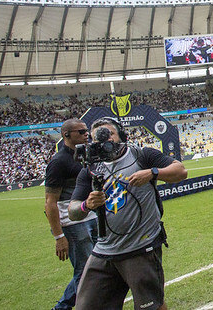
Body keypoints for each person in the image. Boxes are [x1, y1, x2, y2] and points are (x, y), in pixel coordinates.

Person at [68, 117, 187, 310]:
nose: (103, 142)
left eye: (109, 135)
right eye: (97, 139)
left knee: (151, 307)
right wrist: (86, 205)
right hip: (104, 251)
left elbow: (180, 171)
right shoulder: (89, 170)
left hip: (140, 247)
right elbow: (72, 212)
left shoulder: (142, 155)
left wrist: (152, 173)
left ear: (122, 136)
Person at [44, 118, 99, 310]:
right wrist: (59, 236)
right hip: (73, 223)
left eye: (86, 131)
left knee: (98, 265)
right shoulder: (58, 162)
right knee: (85, 271)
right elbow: (50, 202)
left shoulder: (88, 154)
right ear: (66, 135)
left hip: (92, 216)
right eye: (81, 132)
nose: (86, 135)